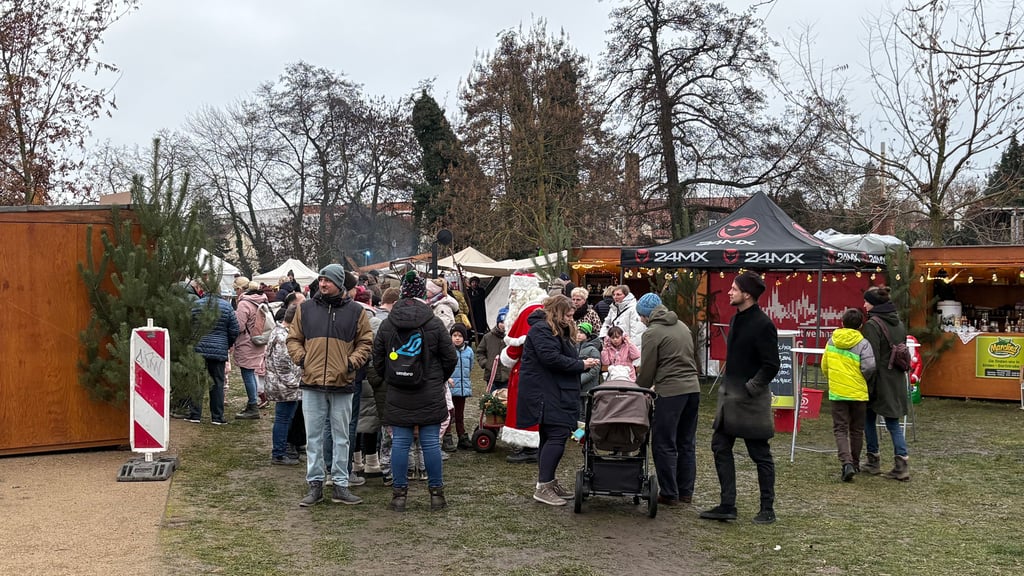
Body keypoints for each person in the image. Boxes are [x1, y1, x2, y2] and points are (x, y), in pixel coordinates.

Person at [287, 264, 372, 507]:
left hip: (343, 382)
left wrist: (351, 363)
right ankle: (315, 484)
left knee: (342, 436)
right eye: (321, 279)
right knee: (313, 437)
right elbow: (293, 338)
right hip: (312, 382)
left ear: (338, 283)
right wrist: (303, 359)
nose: (322, 284)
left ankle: (340, 484)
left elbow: (365, 342)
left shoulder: (356, 311)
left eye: (327, 280)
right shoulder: (306, 309)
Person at [372, 270, 458, 512]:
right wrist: (437, 378)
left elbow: (377, 358)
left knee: (400, 442)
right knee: (431, 443)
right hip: (429, 389)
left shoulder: (389, 323)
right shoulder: (434, 323)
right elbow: (450, 357)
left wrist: (390, 378)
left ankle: (399, 496)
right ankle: (436, 495)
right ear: (422, 294)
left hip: (398, 390)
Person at [700, 271, 780, 525]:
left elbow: (771, 365)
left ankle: (767, 508)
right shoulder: (736, 320)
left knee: (760, 454)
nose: (730, 291)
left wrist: (750, 388)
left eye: (734, 288)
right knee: (720, 446)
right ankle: (727, 505)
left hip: (750, 399)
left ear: (747, 294)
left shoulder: (763, 324)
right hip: (730, 397)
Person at [517, 294, 601, 506]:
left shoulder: (555, 329)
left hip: (554, 390)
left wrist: (580, 362)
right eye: (568, 315)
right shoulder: (542, 330)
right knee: (557, 435)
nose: (572, 319)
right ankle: (544, 486)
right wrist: (582, 365)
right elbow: (551, 359)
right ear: (557, 312)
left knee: (550, 435)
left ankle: (547, 481)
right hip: (546, 392)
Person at [634, 293, 701, 506]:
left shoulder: (652, 333)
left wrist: (638, 388)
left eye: (641, 317)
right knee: (686, 442)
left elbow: (648, 370)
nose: (642, 321)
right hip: (693, 389)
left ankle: (669, 492)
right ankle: (685, 492)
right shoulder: (682, 325)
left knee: (664, 442)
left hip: (671, 391)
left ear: (645, 316)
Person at [860, 286, 911, 481]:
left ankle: (875, 461)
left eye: (866, 301)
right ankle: (900, 462)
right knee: (892, 421)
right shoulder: (898, 321)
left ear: (873, 304)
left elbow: (870, 356)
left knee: (869, 418)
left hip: (879, 378)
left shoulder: (873, 324)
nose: (864, 304)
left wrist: (866, 380)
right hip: (896, 376)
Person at [821, 307, 876, 482]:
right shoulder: (864, 343)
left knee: (840, 429)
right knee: (857, 430)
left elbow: (824, 366)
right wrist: (862, 379)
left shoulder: (831, 342)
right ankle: (856, 463)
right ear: (861, 325)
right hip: (858, 393)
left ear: (842, 323)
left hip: (838, 393)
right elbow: (869, 367)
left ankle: (846, 463)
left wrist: (834, 379)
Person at [499, 273, 549, 463]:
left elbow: (518, 345)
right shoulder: (542, 306)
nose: (511, 295)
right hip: (539, 368)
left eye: (514, 291)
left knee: (524, 404)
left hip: (527, 368)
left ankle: (529, 446)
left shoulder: (529, 311)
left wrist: (506, 356)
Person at [186, 292, 240, 425]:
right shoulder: (227, 307)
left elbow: (187, 326)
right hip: (218, 349)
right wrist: (227, 344)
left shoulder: (196, 305)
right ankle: (217, 416)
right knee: (217, 382)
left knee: (197, 382)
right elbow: (234, 329)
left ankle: (195, 415)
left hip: (198, 348)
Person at [265, 304, 302, 465]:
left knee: (286, 417)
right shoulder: (283, 337)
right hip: (285, 386)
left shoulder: (280, 332)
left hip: (283, 384)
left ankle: (281, 450)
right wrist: (294, 383)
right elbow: (282, 365)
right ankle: (278, 453)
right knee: (283, 418)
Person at [234, 279, 269, 420]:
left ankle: (253, 405)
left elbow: (239, 326)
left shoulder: (244, 303)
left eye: (236, 289)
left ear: (241, 289)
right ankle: (253, 402)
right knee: (251, 373)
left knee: (247, 373)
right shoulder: (262, 300)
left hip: (247, 343)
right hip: (259, 341)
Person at [598, 285, 645, 361]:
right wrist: (604, 337)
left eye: (618, 294)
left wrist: (632, 349)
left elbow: (636, 332)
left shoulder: (633, 308)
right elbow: (607, 323)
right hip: (616, 343)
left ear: (626, 295)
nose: (615, 297)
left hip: (627, 345)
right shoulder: (613, 308)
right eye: (614, 295)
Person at [447, 323, 475, 450]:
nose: (457, 338)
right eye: (454, 335)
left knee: (459, 415)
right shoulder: (447, 351)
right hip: (450, 388)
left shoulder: (469, 351)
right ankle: (447, 438)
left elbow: (470, 366)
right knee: (448, 415)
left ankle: (462, 437)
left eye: (460, 336)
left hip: (462, 389)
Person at [477, 307, 510, 390]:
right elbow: (480, 352)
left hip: (507, 376)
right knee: (491, 400)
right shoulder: (488, 337)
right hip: (492, 376)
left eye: (506, 322)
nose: (503, 325)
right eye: (501, 322)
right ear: (498, 322)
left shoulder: (512, 339)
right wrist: (486, 363)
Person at [575, 322, 602, 420]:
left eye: (581, 333)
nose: (578, 334)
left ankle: (587, 434)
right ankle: (579, 435)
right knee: (578, 414)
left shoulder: (592, 350)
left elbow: (594, 370)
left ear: (587, 335)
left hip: (588, 387)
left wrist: (579, 379)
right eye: (577, 332)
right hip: (577, 388)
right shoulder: (574, 348)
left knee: (587, 413)